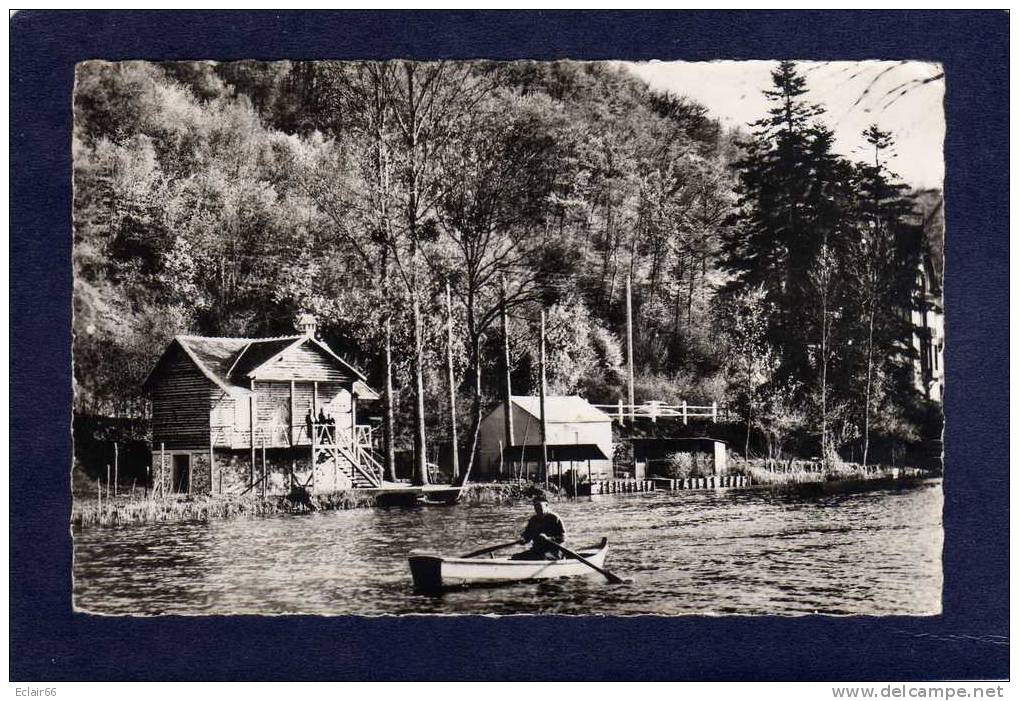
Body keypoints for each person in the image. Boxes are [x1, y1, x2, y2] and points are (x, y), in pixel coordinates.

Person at [511, 495, 566, 560]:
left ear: (546, 506)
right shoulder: (533, 520)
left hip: (554, 551)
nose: (538, 511)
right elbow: (527, 535)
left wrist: (548, 539)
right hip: (537, 550)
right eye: (536, 508)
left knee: (542, 557)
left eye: (540, 508)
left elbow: (563, 538)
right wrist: (523, 539)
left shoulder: (555, 518)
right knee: (515, 557)